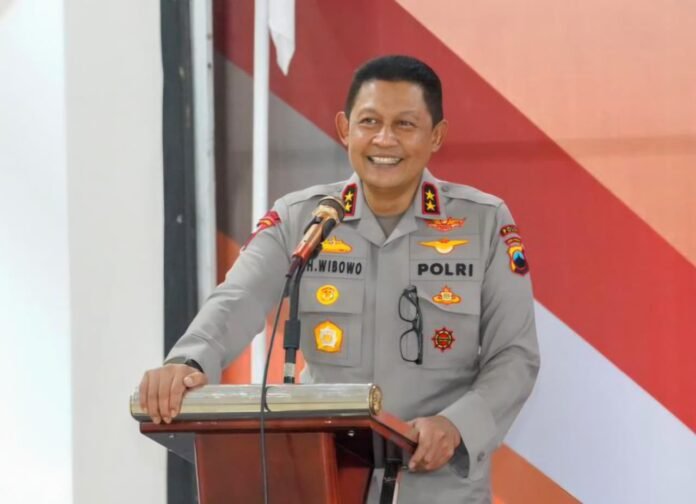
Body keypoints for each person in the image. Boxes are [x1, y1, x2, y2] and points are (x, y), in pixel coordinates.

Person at [139, 55, 539, 503]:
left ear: (436, 136)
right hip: (324, 481)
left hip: (437, 486)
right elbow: (237, 300)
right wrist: (189, 361)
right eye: (370, 121)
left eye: (405, 124)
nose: (384, 139)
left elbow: (514, 356)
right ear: (345, 128)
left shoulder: (483, 223)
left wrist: (457, 426)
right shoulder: (303, 218)